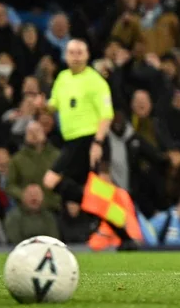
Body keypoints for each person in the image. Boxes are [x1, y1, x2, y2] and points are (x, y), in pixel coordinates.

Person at [36, 39, 135, 249]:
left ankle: (113, 221)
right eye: (72, 52)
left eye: (80, 52)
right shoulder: (62, 78)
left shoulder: (96, 81)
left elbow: (106, 115)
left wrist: (97, 142)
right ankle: (122, 232)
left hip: (88, 139)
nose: (75, 56)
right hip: (72, 141)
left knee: (51, 181)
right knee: (92, 191)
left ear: (87, 55)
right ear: (66, 55)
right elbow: (54, 106)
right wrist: (43, 106)